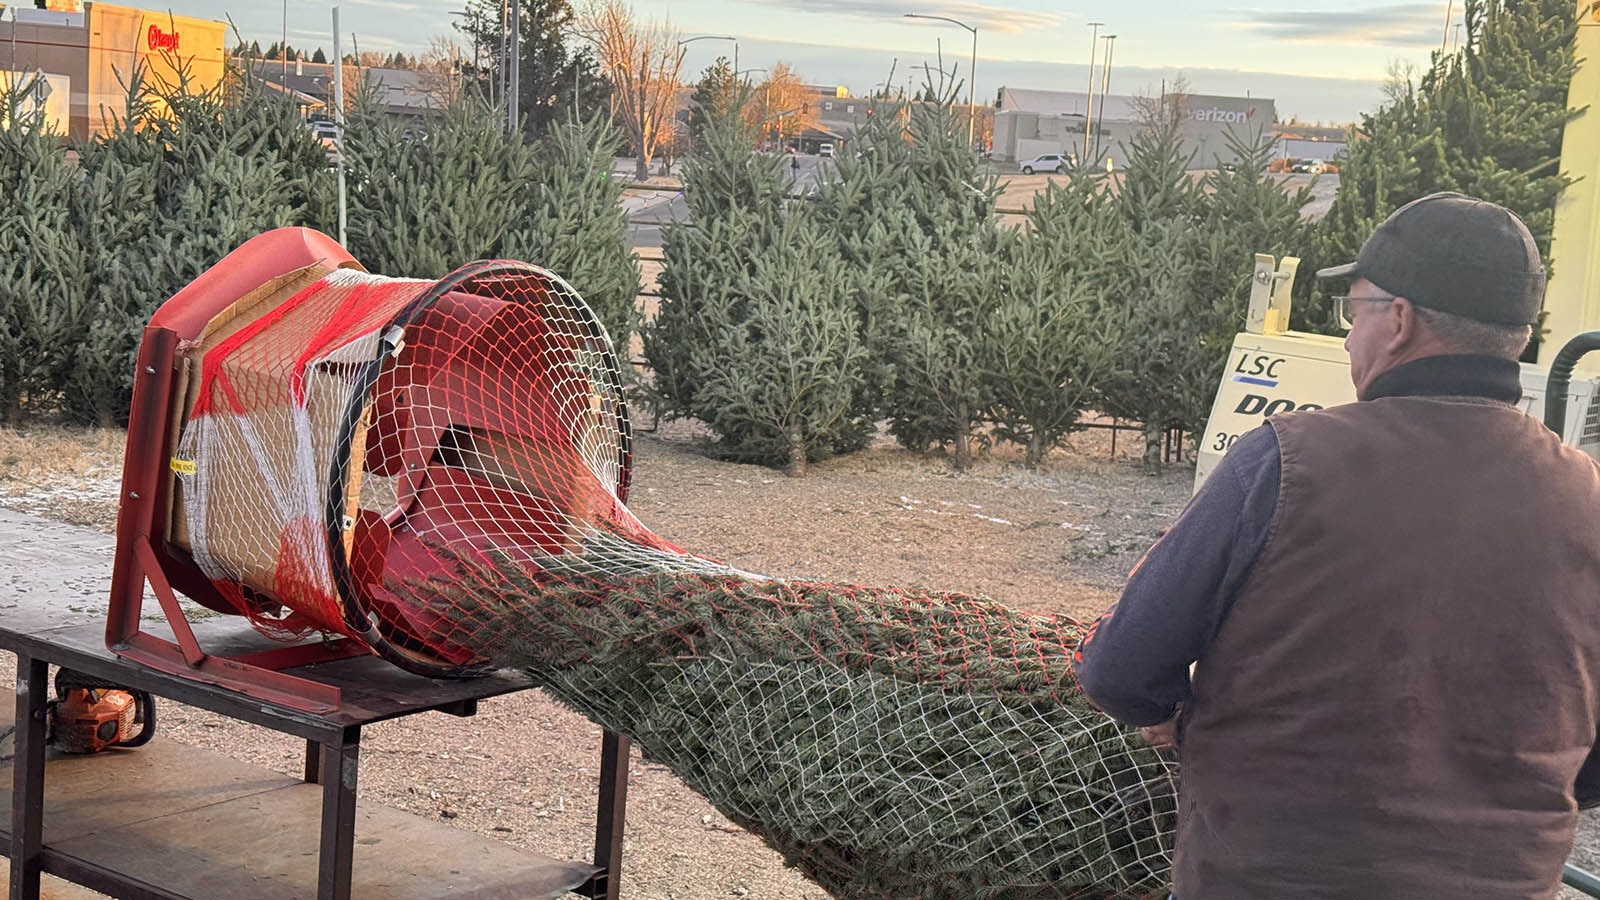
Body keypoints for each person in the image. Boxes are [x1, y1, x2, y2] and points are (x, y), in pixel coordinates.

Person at [1072, 192, 1600, 900]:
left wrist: (1177, 719)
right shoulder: (1588, 497)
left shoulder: (1285, 462)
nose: (1350, 338)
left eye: (1355, 313)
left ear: (1401, 321)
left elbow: (1123, 667)